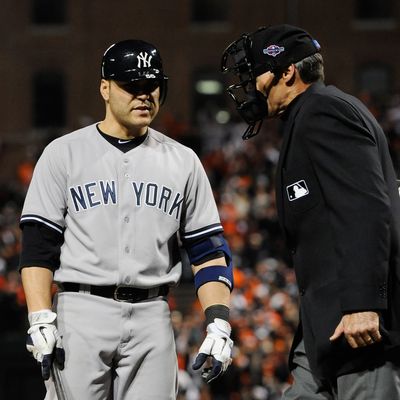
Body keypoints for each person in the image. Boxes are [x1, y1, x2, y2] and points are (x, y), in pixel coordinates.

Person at [20, 39, 234, 400]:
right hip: (80, 312)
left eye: (151, 85)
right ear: (105, 87)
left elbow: (207, 251)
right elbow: (38, 246)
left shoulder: (183, 161)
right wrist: (40, 316)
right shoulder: (63, 153)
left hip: (153, 315)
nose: (144, 95)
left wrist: (218, 320)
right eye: (131, 86)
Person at [221, 24, 400, 399]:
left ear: (288, 72)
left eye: (256, 74)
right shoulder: (309, 116)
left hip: (359, 329)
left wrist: (364, 303)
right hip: (326, 326)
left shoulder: (324, 111)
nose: (251, 86)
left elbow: (365, 209)